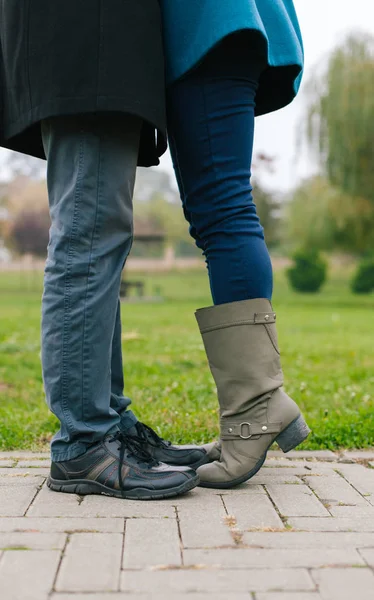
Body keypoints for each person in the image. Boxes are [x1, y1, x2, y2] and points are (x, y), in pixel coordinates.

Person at [0, 0, 220, 501]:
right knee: (88, 232)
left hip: (99, 45)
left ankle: (110, 424)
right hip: (86, 38)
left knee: (102, 239)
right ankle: (83, 443)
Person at [160, 0, 311, 488]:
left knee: (223, 212)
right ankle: (256, 405)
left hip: (207, 23)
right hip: (219, 23)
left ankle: (256, 406)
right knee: (220, 214)